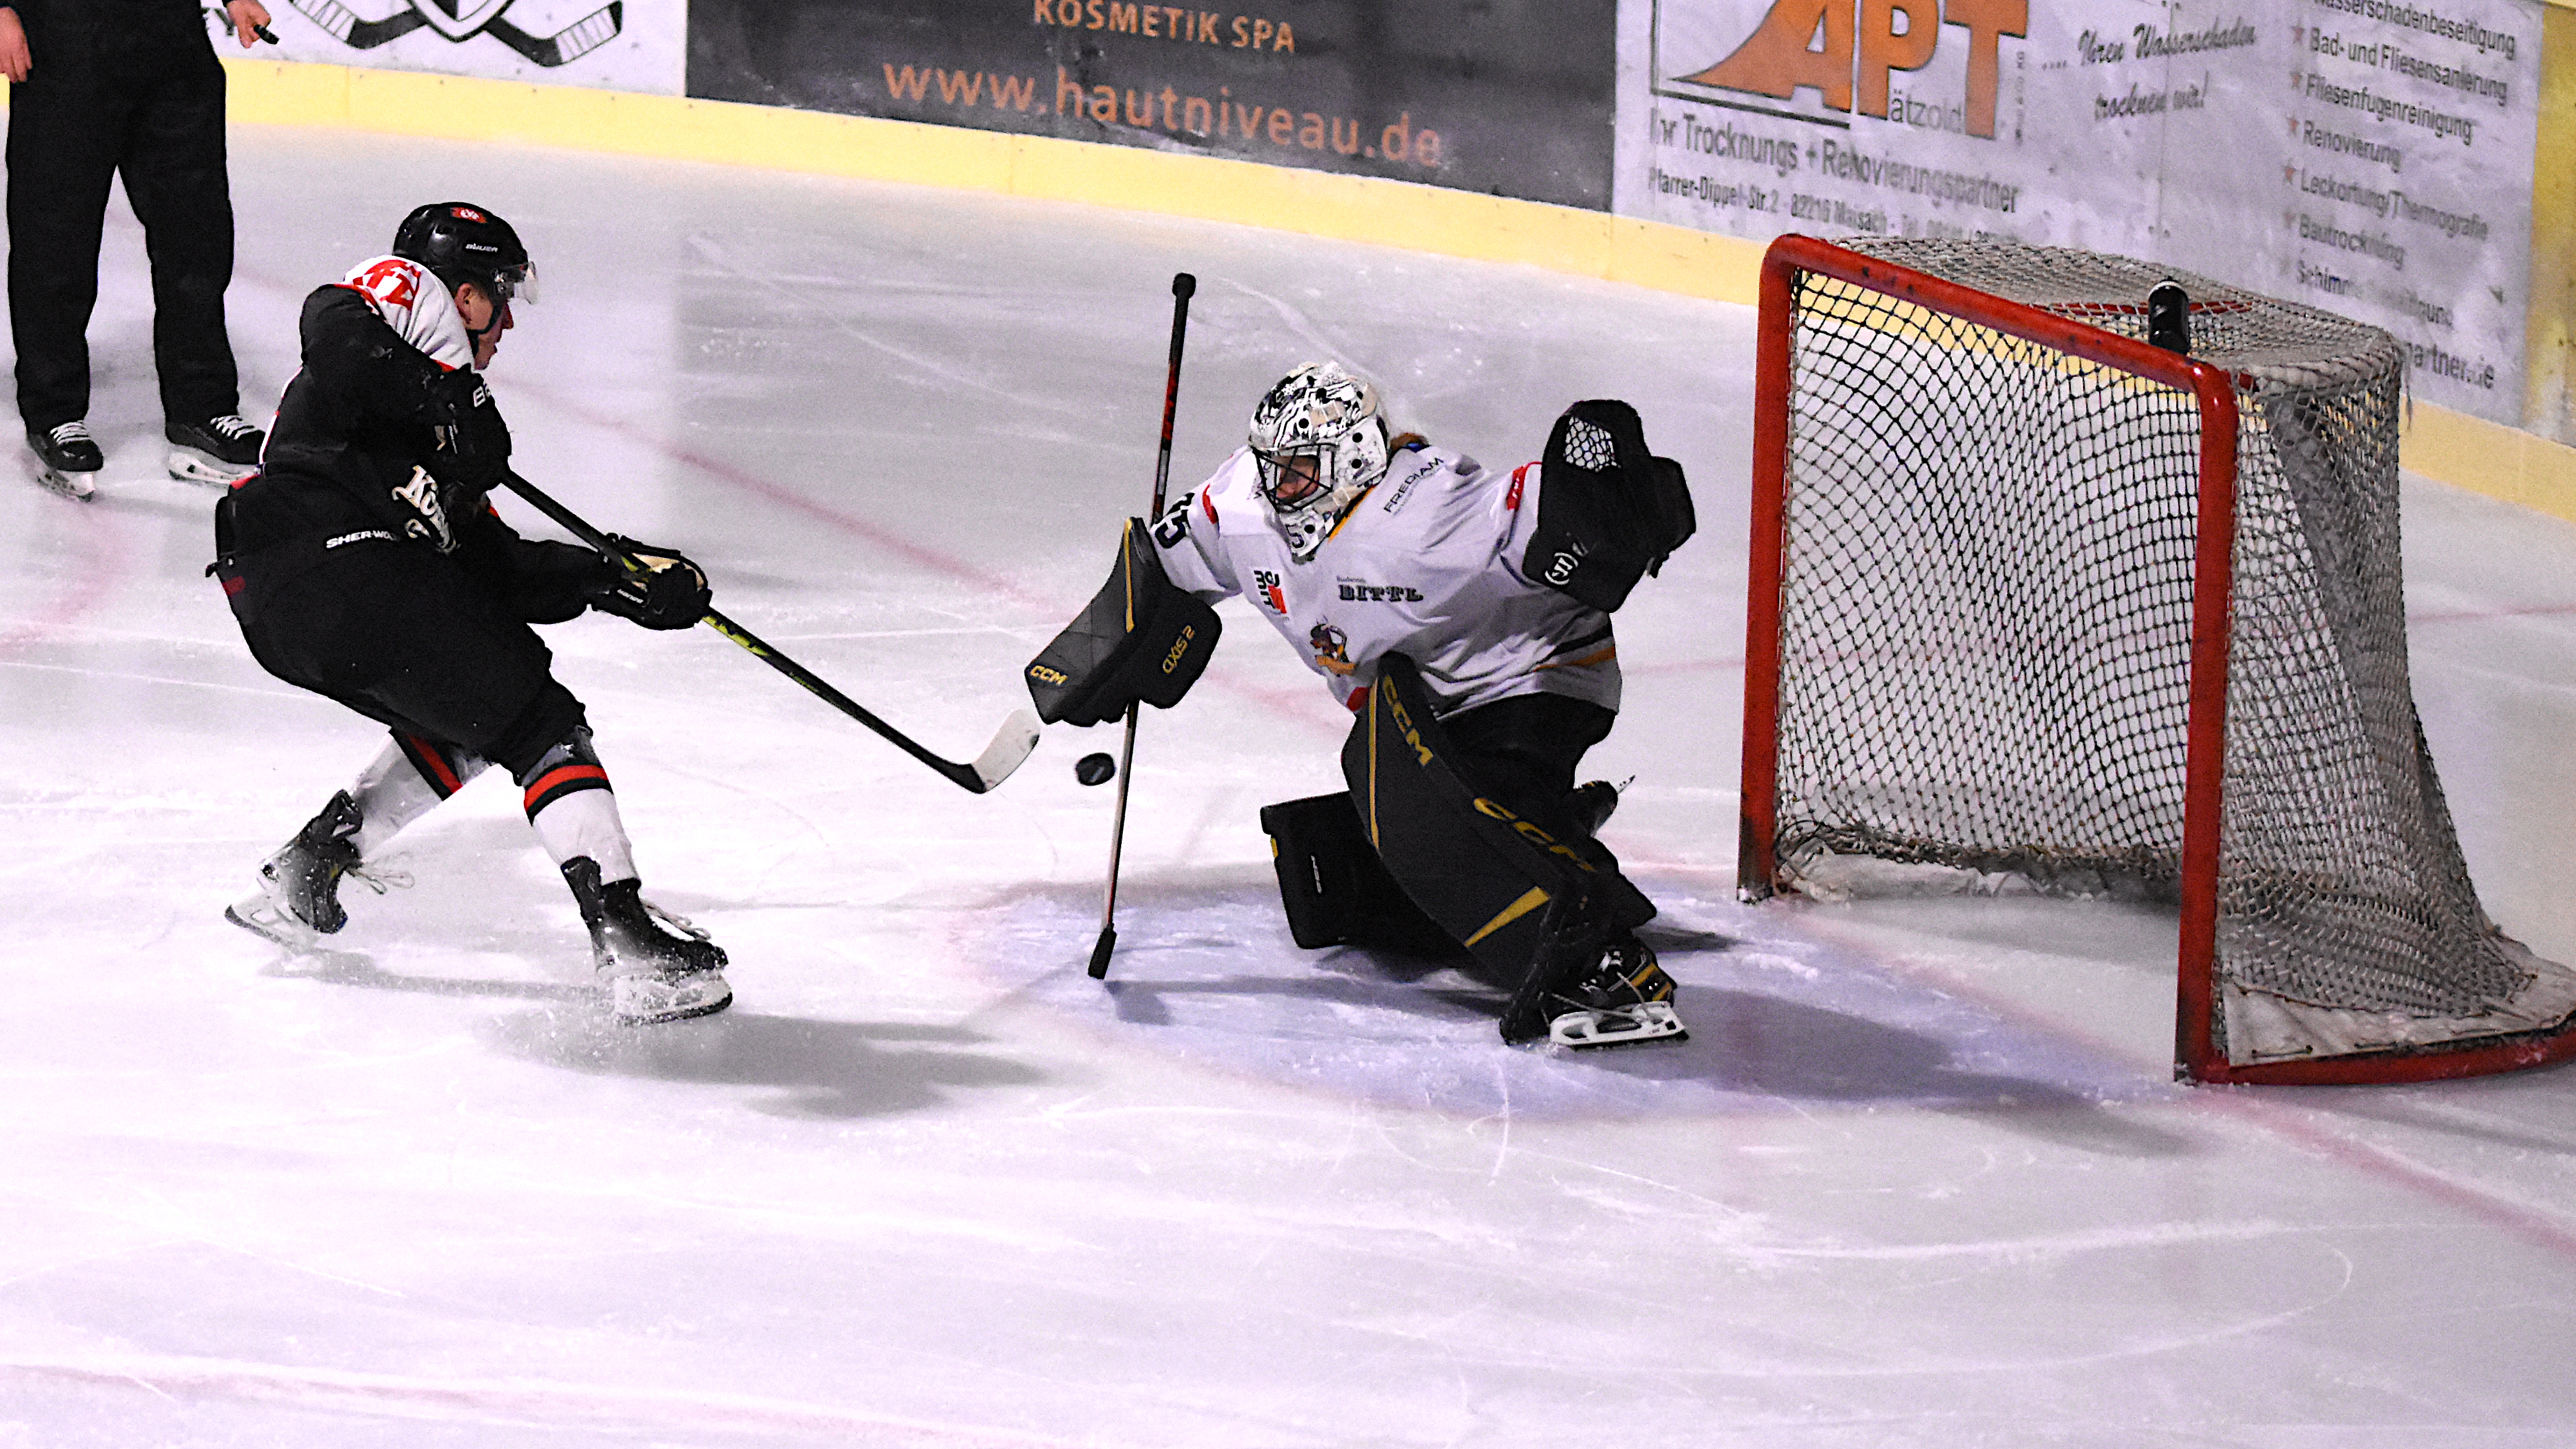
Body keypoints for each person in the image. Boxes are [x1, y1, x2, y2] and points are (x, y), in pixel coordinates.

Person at [1026, 363, 1697, 1047]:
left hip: (1528, 681)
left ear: (1352, 457)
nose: (1278, 488)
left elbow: (1563, 514)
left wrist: (1617, 497)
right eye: (1272, 468)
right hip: (1423, 707)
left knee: (1414, 809)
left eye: (1300, 471)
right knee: (1364, 893)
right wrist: (1095, 659)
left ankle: (1599, 962)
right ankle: (1552, 826)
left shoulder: (1426, 515)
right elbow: (1162, 564)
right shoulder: (1243, 506)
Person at [212, 202, 733, 1026]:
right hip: (338, 556)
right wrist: (448, 396)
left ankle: (308, 871)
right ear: (461, 294)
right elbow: (334, 323)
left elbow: (499, 572)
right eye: (500, 293)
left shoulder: (429, 433)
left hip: (288, 600)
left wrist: (616, 580)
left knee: (473, 708)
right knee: (540, 723)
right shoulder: (407, 304)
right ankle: (630, 944)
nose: (509, 320)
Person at [1, 0, 273, 491]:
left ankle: (202, 406)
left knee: (196, 234)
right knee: (55, 239)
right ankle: (54, 410)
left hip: (173, 40)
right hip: (66, 38)